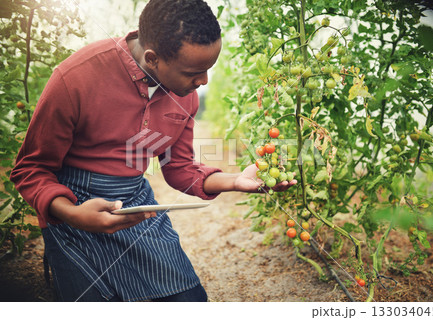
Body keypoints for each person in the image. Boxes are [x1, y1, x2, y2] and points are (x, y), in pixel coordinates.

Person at [10, 0, 296, 302]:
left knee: (188, 300)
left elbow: (180, 168)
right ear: (152, 58)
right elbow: (31, 169)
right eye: (194, 72)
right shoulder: (76, 78)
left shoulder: (186, 95)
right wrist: (72, 214)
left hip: (137, 204)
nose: (203, 82)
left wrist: (237, 180)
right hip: (73, 210)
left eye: (208, 70)